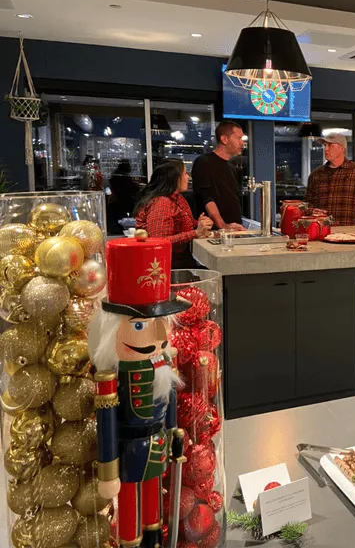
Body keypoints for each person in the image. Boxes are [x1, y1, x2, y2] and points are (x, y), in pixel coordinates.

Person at [88, 235, 188, 548]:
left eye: (161, 321)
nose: (160, 334)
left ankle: (154, 536)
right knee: (130, 503)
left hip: (157, 443)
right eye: (141, 325)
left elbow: (168, 401)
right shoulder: (111, 377)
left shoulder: (163, 363)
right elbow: (107, 424)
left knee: (153, 502)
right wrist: (108, 471)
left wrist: (173, 434)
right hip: (128, 449)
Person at [135, 160, 213, 269]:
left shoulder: (177, 197)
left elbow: (180, 223)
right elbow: (159, 241)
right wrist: (195, 233)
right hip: (165, 267)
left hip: (178, 261)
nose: (188, 177)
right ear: (174, 177)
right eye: (185, 173)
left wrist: (199, 224)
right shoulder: (162, 202)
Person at [305, 132, 355, 226]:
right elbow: (308, 204)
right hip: (321, 231)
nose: (326, 149)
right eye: (325, 145)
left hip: (346, 234)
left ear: (342, 149)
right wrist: (312, 211)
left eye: (330, 145)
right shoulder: (316, 175)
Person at [192, 121, 247, 230]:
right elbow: (207, 198)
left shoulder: (231, 167)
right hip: (214, 232)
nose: (242, 143)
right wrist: (222, 226)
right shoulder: (204, 162)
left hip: (234, 229)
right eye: (238, 138)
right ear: (224, 139)